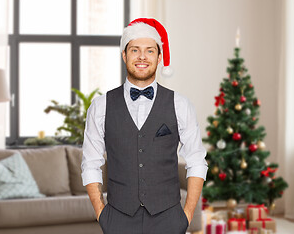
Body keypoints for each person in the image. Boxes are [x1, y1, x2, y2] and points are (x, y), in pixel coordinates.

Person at [81, 18, 208, 234]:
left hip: (168, 219)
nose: (142, 57)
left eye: (149, 51)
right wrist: (101, 213)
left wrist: (185, 216)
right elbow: (90, 163)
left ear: (159, 57)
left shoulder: (180, 104)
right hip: (117, 220)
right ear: (124, 55)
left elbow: (196, 161)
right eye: (135, 50)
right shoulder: (101, 106)